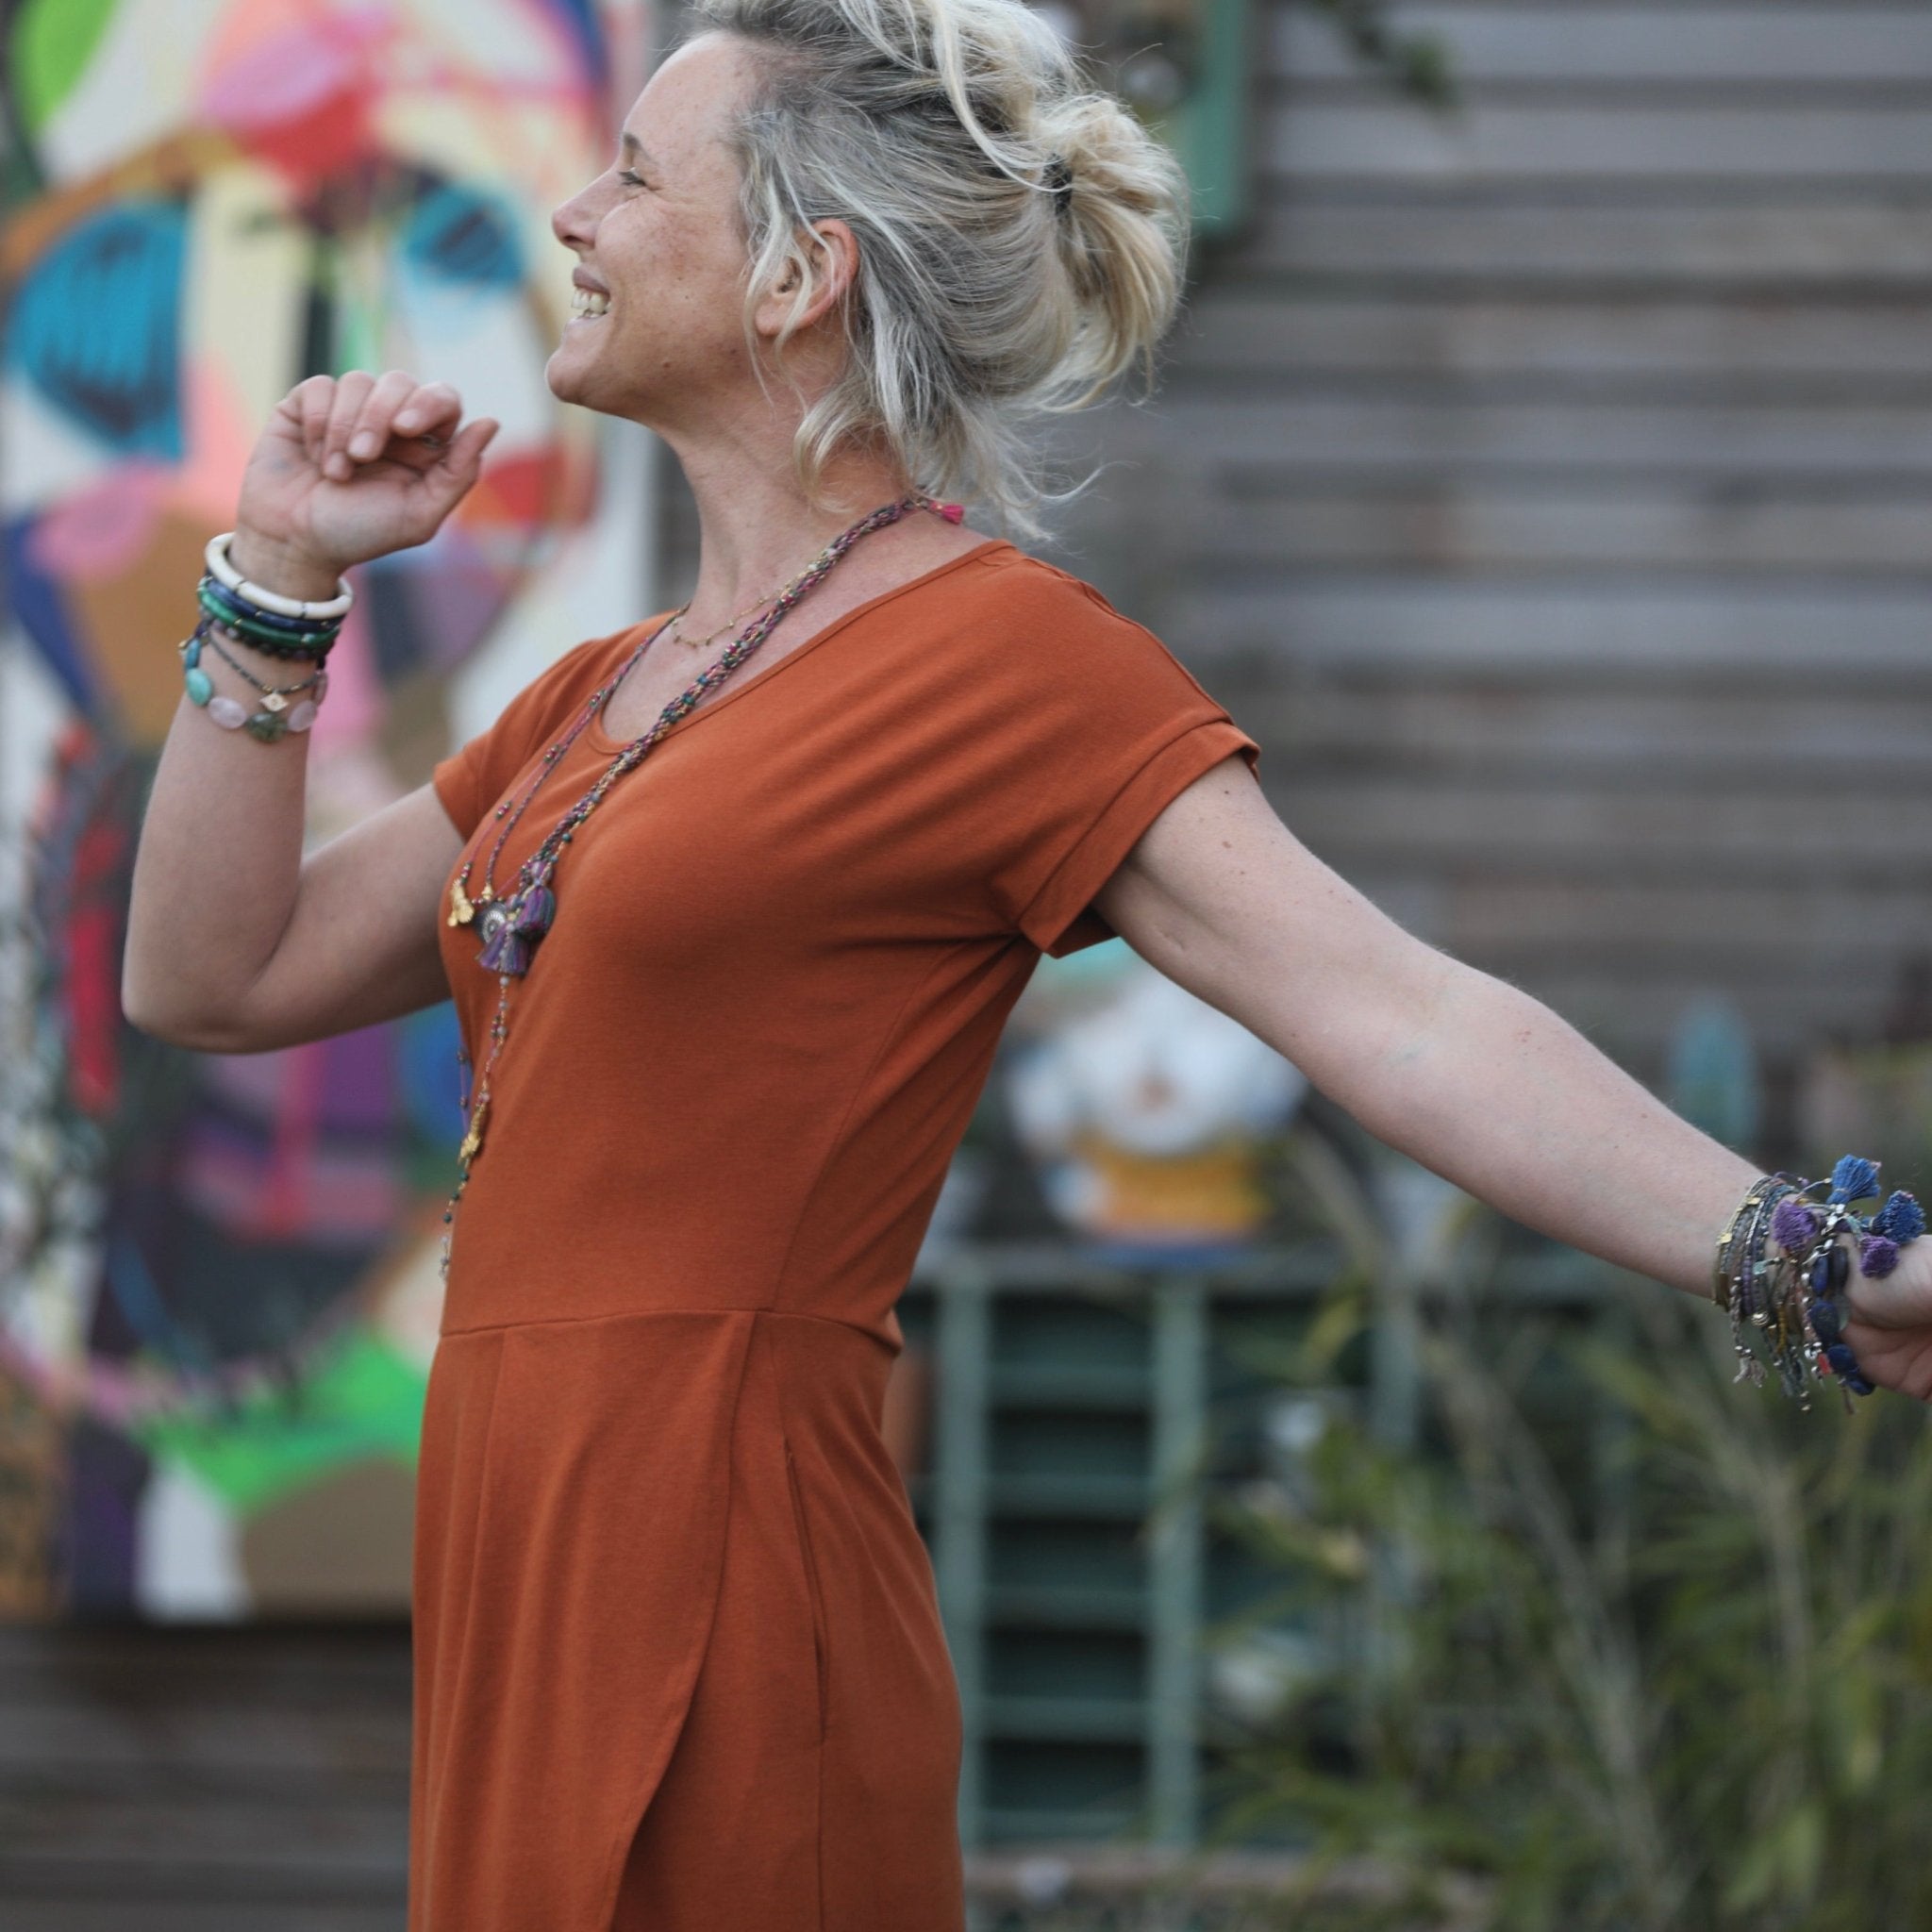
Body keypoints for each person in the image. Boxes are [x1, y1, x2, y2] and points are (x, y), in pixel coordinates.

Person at [121, 0, 1932, 1924]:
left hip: (721, 1553)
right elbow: (212, 975)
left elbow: (1390, 1007)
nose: (574, 214)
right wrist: (282, 574)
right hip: (520, 1554)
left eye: (636, 176)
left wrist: (1801, 1252)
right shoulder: (599, 693)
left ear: (799, 276)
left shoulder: (1003, 659)